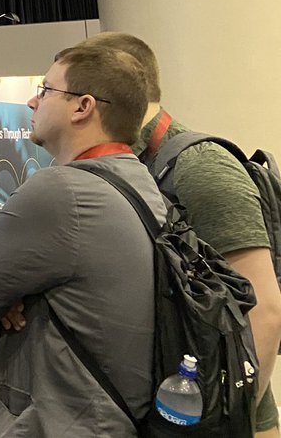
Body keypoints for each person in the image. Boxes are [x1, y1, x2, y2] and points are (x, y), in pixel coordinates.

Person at [0, 44, 167, 437]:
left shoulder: (60, 191)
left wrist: (10, 297)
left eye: (46, 90)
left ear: (83, 106)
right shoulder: (140, 181)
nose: (32, 101)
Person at [80, 31, 281, 437]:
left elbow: (264, 310)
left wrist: (231, 424)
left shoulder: (199, 167)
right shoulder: (126, 164)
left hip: (212, 416)